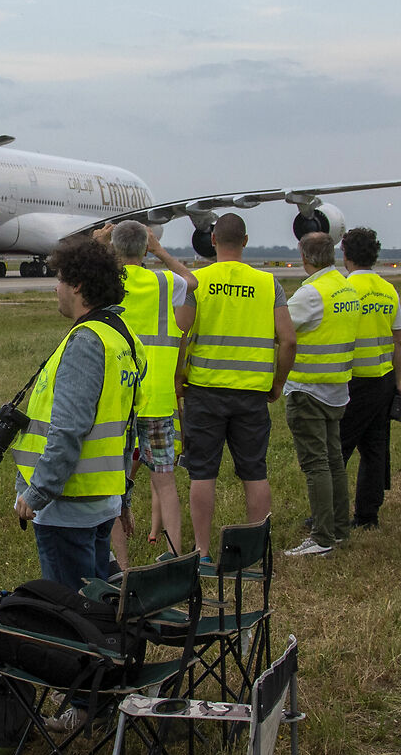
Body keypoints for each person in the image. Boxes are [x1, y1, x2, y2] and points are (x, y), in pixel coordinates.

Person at [9, 233, 144, 594]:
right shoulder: (124, 337)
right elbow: (130, 429)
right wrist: (123, 497)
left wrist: (37, 493)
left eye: (60, 279)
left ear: (78, 285)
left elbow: (68, 429)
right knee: (96, 608)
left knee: (70, 614)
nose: (55, 288)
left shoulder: (86, 342)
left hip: (68, 506)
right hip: (100, 502)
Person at [180, 213, 297, 556]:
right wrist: (277, 384)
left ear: (212, 241)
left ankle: (201, 551)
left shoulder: (198, 282)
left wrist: (178, 378)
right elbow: (288, 341)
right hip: (252, 393)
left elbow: (181, 334)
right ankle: (254, 553)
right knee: (254, 472)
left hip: (204, 390)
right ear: (245, 242)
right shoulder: (268, 284)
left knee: (202, 474)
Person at [106, 220, 195, 561]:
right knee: (165, 481)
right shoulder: (164, 282)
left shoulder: (108, 282)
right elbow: (192, 282)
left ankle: (120, 563)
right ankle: (174, 553)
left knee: (112, 482)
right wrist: (161, 252)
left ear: (115, 249)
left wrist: (101, 246)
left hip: (117, 396)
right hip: (156, 397)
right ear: (144, 248)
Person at [282, 231, 361, 555]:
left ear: (305, 258)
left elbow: (280, 330)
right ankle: (340, 528)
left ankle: (322, 536)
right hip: (336, 387)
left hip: (308, 389)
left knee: (316, 465)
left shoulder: (311, 293)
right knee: (333, 462)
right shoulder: (346, 288)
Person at [338, 227, 401, 531]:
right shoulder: (388, 289)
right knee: (375, 451)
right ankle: (368, 515)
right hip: (382, 379)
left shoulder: (344, 289)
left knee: (337, 451)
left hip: (351, 380)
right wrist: (397, 383)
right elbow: (398, 342)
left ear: (346, 255)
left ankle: (332, 513)